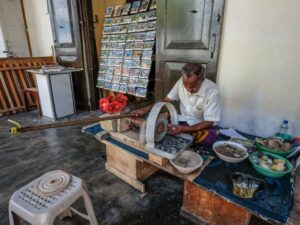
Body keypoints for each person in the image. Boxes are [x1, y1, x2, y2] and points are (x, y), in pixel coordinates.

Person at [133, 63, 221, 144]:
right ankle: (184, 133)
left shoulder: (213, 92)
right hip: (184, 120)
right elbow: (167, 99)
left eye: (192, 86)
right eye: (185, 85)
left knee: (208, 139)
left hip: (200, 124)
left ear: (202, 80)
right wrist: (146, 109)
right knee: (160, 127)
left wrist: (184, 129)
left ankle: (186, 133)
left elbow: (209, 122)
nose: (187, 89)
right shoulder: (181, 82)